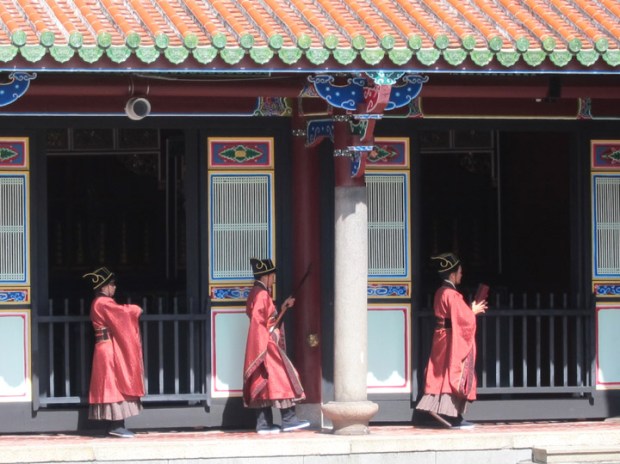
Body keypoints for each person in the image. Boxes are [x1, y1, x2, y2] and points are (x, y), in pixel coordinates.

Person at [415, 252, 487, 429]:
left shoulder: (441, 292)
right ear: (452, 274)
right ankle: (452, 416)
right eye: (460, 272)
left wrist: (469, 310)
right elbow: (464, 319)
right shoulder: (452, 294)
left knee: (439, 372)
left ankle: (441, 411)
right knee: (451, 373)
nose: (461, 275)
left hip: (441, 336)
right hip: (449, 339)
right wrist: (474, 311)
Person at [242, 258, 310, 434]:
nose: (273, 279)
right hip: (266, 344)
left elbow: (267, 319)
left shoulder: (257, 292)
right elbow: (259, 322)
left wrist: (283, 307)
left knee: (264, 382)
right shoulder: (261, 294)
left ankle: (263, 424)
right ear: (266, 276)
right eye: (272, 275)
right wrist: (267, 337)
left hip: (264, 342)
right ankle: (289, 420)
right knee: (284, 376)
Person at [82, 267, 145, 438]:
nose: (114, 287)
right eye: (112, 284)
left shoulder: (99, 302)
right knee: (115, 384)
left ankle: (115, 424)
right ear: (103, 287)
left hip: (105, 346)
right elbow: (122, 314)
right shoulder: (103, 303)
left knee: (112, 383)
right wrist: (135, 309)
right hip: (108, 349)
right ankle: (116, 425)